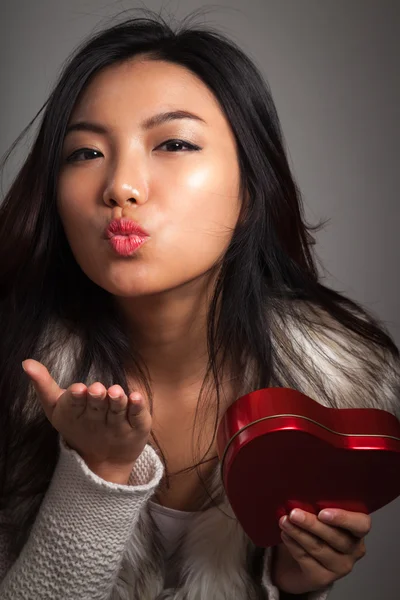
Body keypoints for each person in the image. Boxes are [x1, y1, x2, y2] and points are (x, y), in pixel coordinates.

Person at [0, 8, 399, 600]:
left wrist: (291, 585)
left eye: (175, 143)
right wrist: (97, 476)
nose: (120, 186)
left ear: (251, 188)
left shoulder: (333, 390)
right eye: (85, 153)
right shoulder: (14, 372)